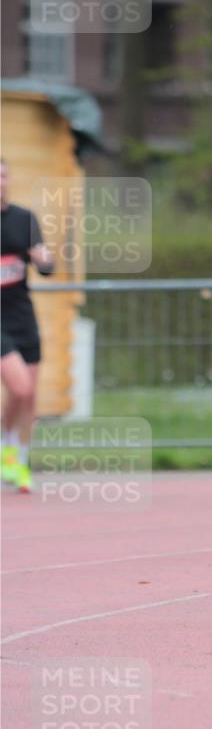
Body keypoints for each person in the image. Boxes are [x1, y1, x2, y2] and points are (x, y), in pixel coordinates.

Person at [1, 159, 54, 493]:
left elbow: (47, 266)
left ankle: (18, 459)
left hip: (22, 315)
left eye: (3, 175)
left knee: (28, 396)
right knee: (18, 388)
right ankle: (7, 448)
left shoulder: (24, 219)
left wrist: (43, 259)